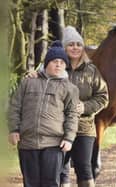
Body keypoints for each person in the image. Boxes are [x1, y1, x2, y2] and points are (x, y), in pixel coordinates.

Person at [8, 41, 79, 187]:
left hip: (54, 143)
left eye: (62, 62)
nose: (58, 64)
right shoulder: (28, 82)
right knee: (30, 184)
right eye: (54, 61)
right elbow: (15, 106)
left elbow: (72, 115)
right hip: (27, 142)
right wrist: (14, 129)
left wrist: (69, 138)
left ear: (66, 65)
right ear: (47, 63)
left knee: (50, 183)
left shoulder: (70, 89)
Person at [60, 26, 109, 187]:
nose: (75, 48)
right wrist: (31, 75)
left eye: (78, 44)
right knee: (61, 170)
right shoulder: (56, 67)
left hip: (84, 128)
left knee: (84, 169)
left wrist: (85, 107)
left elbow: (103, 97)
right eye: (71, 44)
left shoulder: (91, 70)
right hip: (58, 128)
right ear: (64, 47)